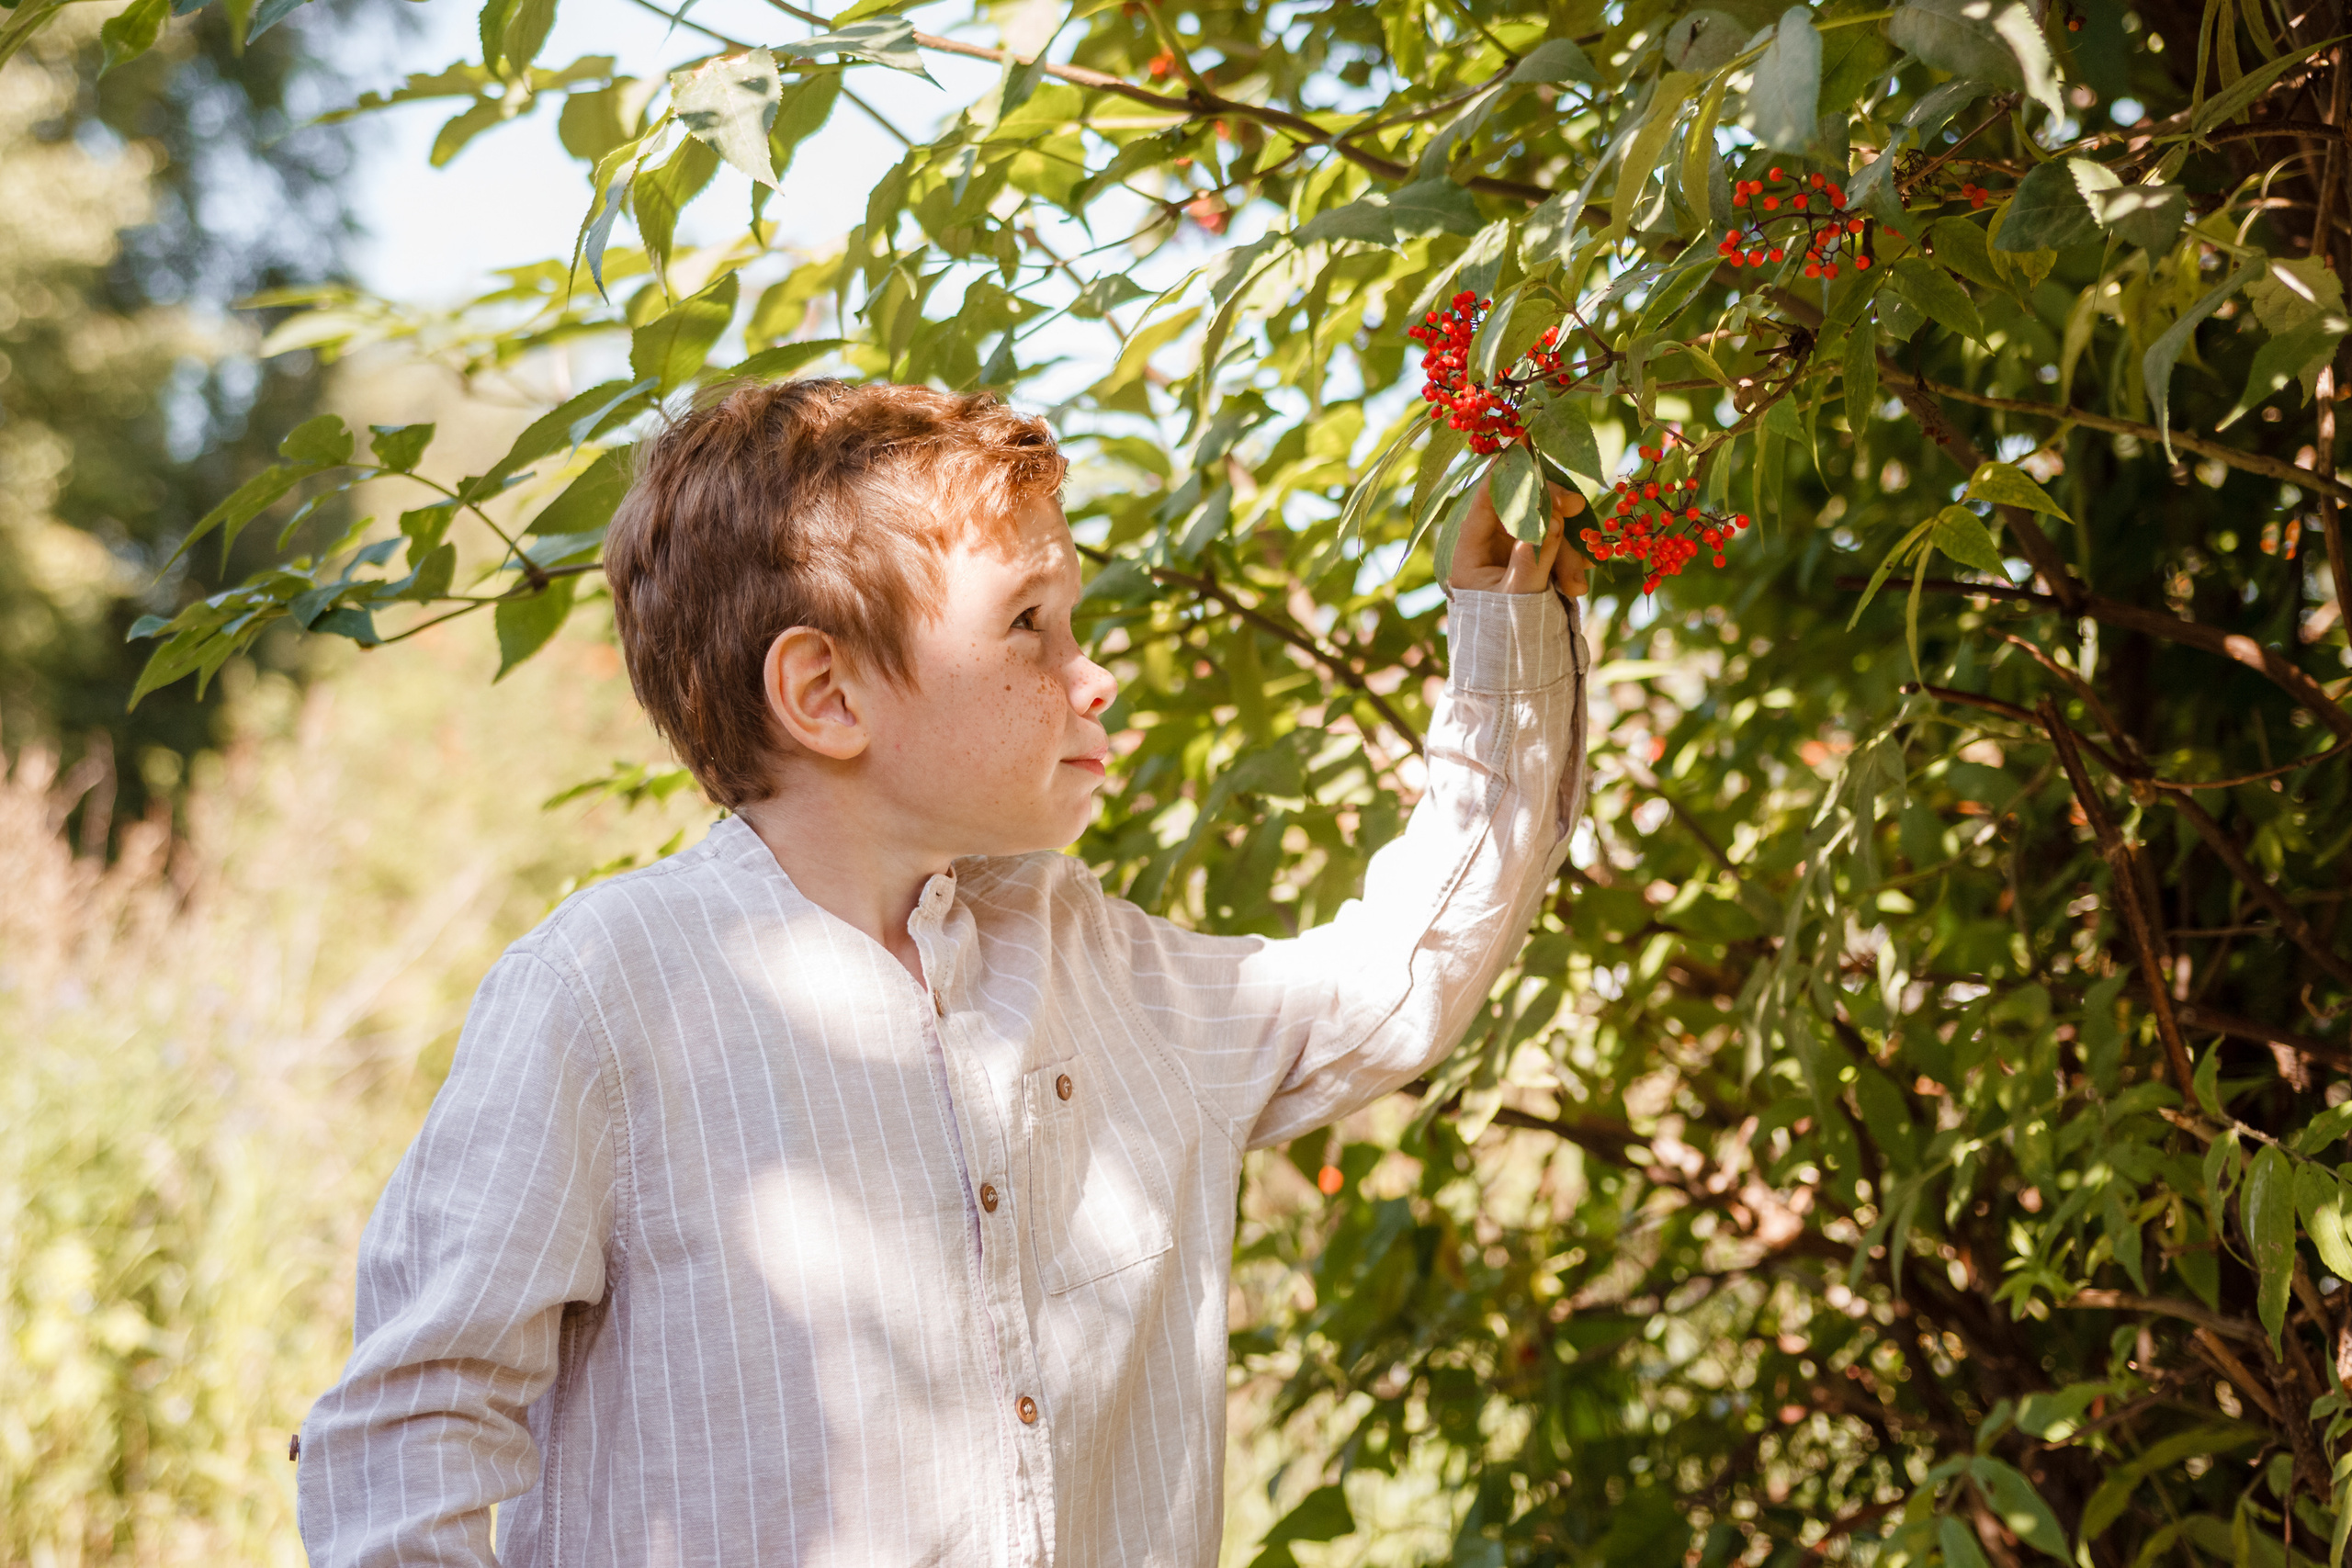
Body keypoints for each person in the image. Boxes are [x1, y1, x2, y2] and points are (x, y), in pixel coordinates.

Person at [296, 378, 1591, 1567]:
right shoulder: (608, 994)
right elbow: (403, 1439)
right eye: (1030, 624)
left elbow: (1398, 979)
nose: (1094, 674)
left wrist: (1506, 620)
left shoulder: (1096, 964)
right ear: (827, 695)